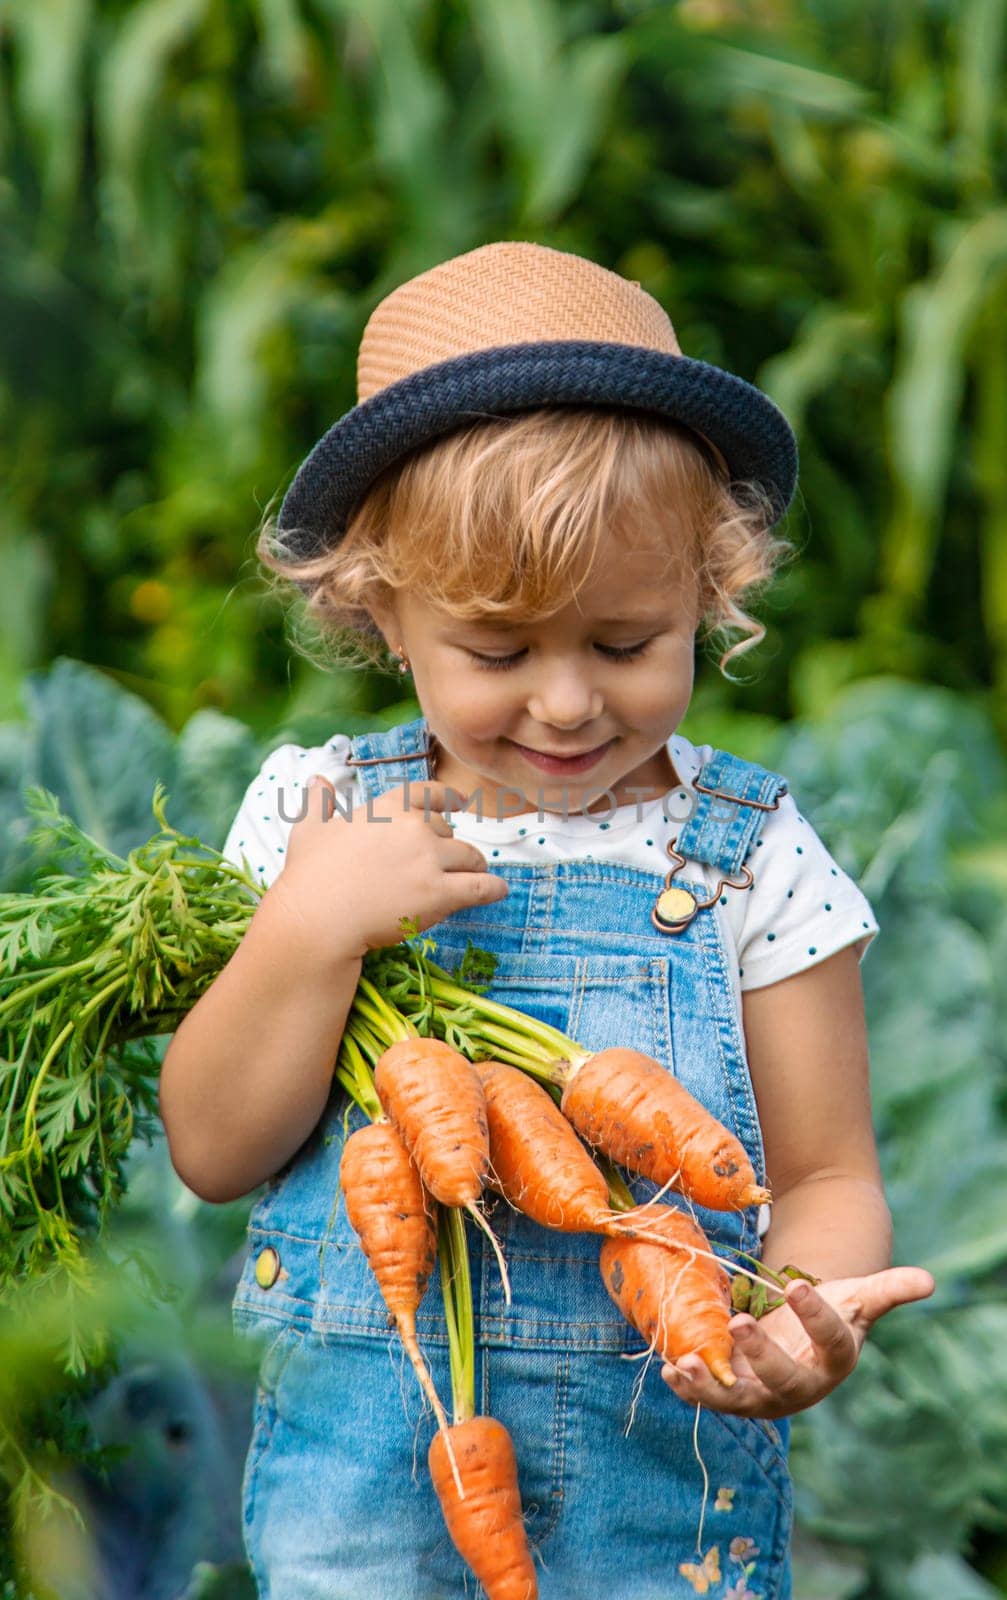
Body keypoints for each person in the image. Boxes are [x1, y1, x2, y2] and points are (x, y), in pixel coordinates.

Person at [158, 241, 934, 1600]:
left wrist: (800, 1317)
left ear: (708, 593)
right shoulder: (320, 817)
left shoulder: (754, 858)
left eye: (627, 643)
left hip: (665, 1521)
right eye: (501, 654)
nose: (569, 705)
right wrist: (305, 934)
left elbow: (824, 1175)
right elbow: (217, 1151)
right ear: (383, 614)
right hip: (355, 1531)